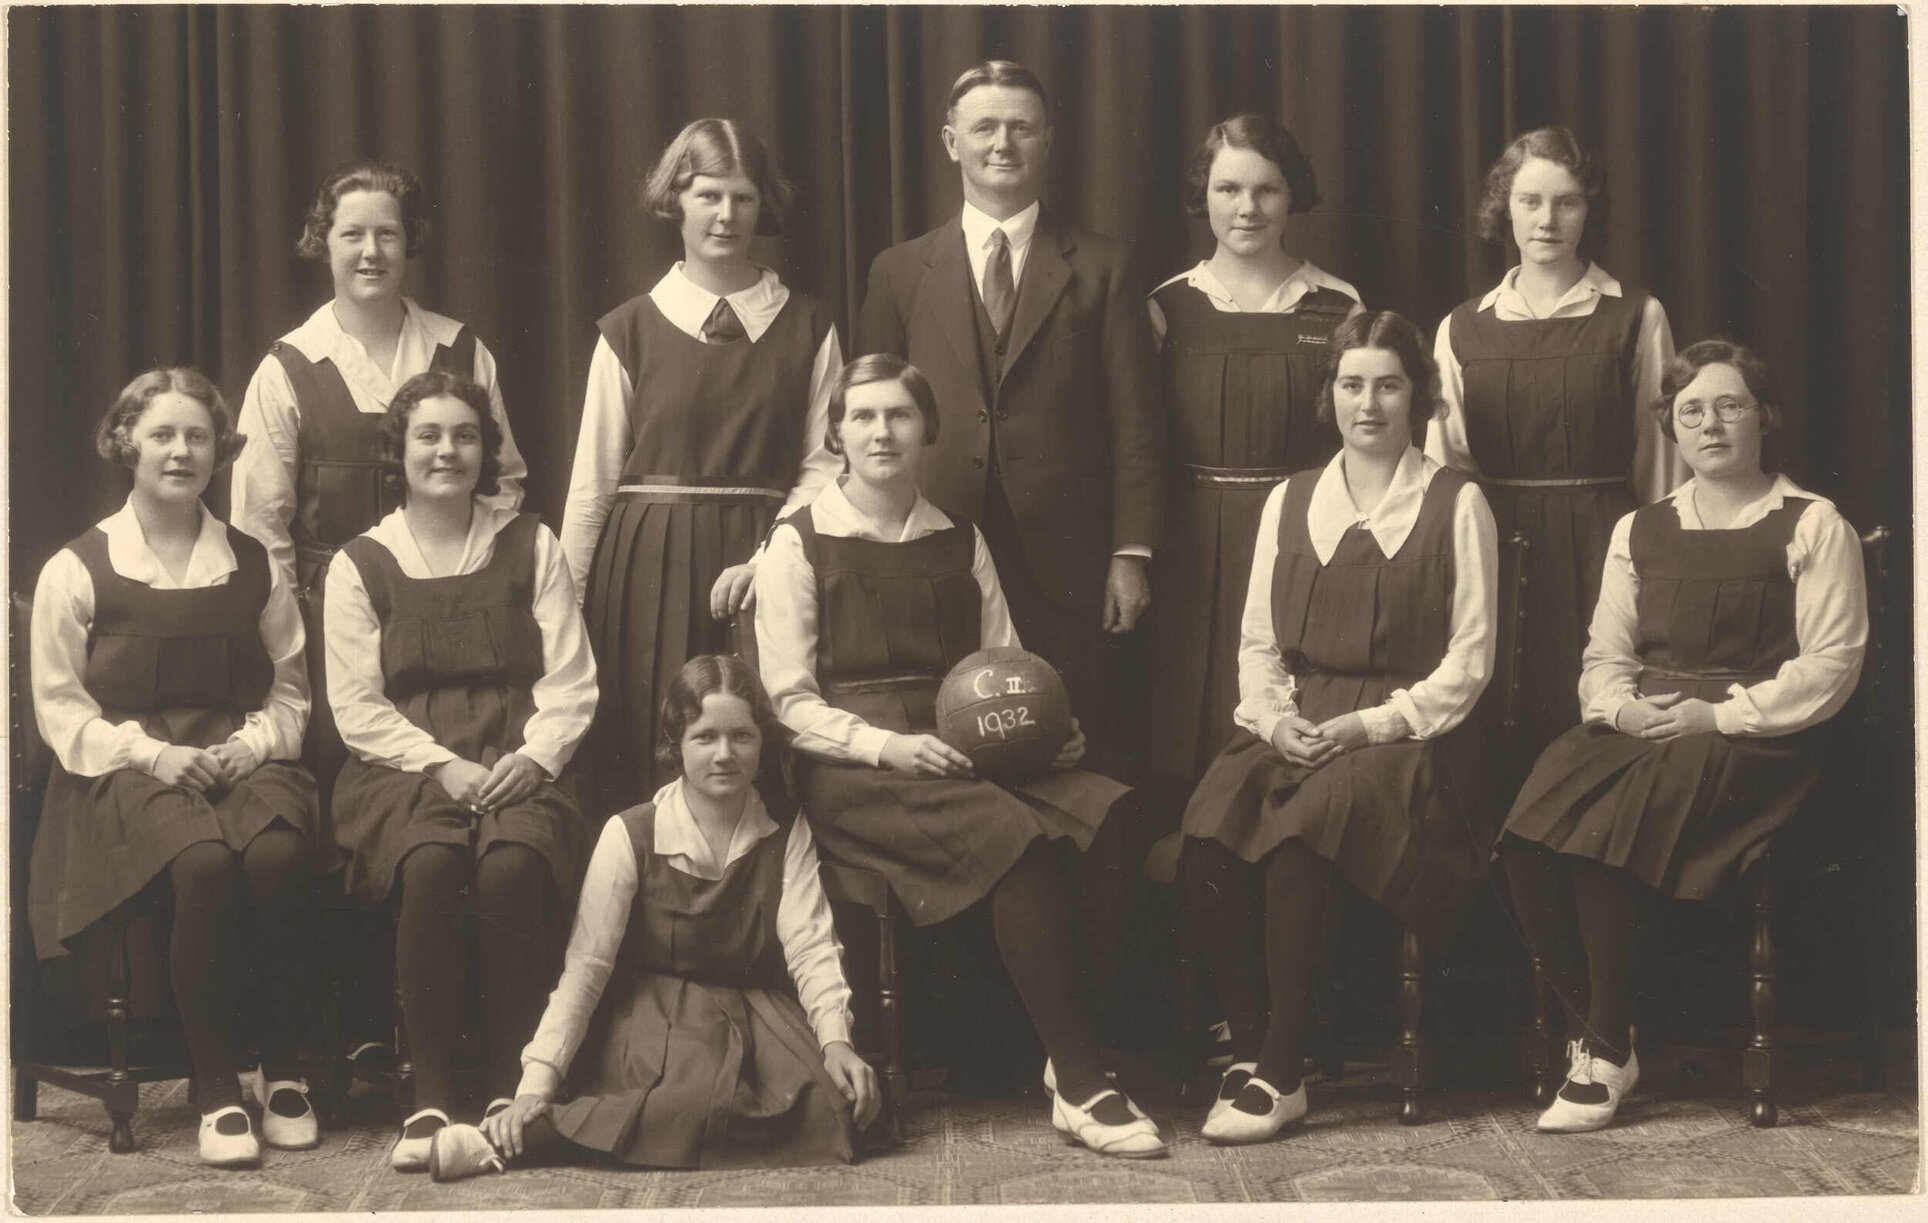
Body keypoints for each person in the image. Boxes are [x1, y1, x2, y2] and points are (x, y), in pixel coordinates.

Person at [755, 354, 1167, 1159]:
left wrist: (1049, 731)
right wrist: (889, 747)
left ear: (928, 431)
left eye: (900, 416)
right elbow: (789, 702)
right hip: (853, 765)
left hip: (963, 744)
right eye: (864, 416)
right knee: (1014, 838)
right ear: (835, 432)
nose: (882, 431)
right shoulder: (798, 541)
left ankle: (1052, 1050)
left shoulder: (959, 537)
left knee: (1112, 811)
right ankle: (1082, 1082)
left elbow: (1005, 661)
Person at [1499, 339, 1866, 1133]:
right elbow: (1606, 655)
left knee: (1609, 828)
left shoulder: (1812, 524)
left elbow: (1831, 665)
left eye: (1730, 405)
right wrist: (1622, 709)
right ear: (1670, 426)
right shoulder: (1640, 528)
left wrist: (1717, 714)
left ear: (1763, 417)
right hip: (1650, 724)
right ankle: (1605, 1033)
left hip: (1756, 738)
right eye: (1691, 410)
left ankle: (1600, 1054)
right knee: (1527, 834)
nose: (1711, 424)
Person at [1182, 312, 1498, 1145]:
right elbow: (1257, 642)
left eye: (1388, 385)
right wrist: (1276, 721)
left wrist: (1363, 726)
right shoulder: (1290, 500)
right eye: (1352, 384)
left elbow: (1468, 663)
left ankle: (1282, 1072)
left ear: (1416, 397)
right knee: (1209, 828)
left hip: (1408, 737)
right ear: (1329, 396)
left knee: (1303, 833)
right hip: (1297, 718)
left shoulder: (1456, 502)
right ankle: (1256, 1045)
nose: (1369, 403)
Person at [423, 655, 880, 1179]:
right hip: (656, 1019)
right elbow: (586, 971)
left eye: (742, 736)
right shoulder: (631, 833)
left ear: (762, 742)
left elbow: (811, 944)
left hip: (754, 1012)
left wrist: (835, 1041)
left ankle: (586, 1137)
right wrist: (534, 1086)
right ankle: (519, 1135)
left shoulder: (783, 829)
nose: (725, 755)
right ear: (676, 745)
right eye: (705, 737)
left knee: (842, 1104)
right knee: (689, 1098)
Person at [28, 369, 321, 1166]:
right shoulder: (79, 566)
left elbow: (292, 690)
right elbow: (61, 710)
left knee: (279, 853)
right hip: (123, 773)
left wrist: (251, 745)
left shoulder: (255, 564)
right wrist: (155, 752)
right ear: (126, 444)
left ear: (220, 450)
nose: (181, 451)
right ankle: (218, 1086)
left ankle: (286, 1067)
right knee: (202, 866)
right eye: (162, 434)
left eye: (198, 436)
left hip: (236, 755)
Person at [854, 59, 1161, 777]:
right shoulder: (899, 271)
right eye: (984, 126)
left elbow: (1137, 423)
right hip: (934, 543)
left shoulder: (1104, 266)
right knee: (953, 744)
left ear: (1048, 140)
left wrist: (1131, 553)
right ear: (949, 141)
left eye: (1021, 127)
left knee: (1068, 750)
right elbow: (867, 419)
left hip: (1069, 559)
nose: (1003, 143)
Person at [325, 371, 596, 1171]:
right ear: (398, 451)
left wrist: (533, 755)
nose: (448, 451)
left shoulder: (531, 543)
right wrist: (441, 765)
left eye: (465, 435)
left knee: (514, 864)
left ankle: (516, 1090)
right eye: (429, 436)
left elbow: (571, 679)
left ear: (488, 449)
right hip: (403, 763)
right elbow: (357, 706)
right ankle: (431, 1096)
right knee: (432, 861)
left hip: (520, 753)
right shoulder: (361, 562)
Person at [560, 118, 842, 812]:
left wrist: (768, 558)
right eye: (709, 194)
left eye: (743, 197)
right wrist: (562, 605)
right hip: (644, 570)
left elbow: (822, 464)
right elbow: (592, 483)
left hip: (760, 565)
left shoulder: (809, 325)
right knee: (646, 749)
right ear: (675, 201)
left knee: (755, 750)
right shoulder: (628, 327)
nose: (726, 215)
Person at [232, 158, 527, 805]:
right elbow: (260, 525)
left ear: (409, 240)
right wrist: (291, 639)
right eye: (352, 235)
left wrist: (465, 578)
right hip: (328, 623)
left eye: (388, 234)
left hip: (451, 616)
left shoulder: (462, 350)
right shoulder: (288, 366)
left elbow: (504, 485)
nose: (372, 252)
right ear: (323, 242)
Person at [1427, 127, 1683, 770]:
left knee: (1595, 708)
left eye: (1567, 202)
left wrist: (1661, 563)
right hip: (1494, 545)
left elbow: (1663, 459)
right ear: (1503, 207)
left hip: (1606, 539)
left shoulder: (1636, 315)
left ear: (1588, 210)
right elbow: (1446, 467)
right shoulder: (1462, 325)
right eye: (1530, 200)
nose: (1547, 219)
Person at [1146, 113, 1364, 785]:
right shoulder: (1165, 306)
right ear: (1202, 196)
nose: (1248, 208)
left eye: (1267, 189)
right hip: (1192, 541)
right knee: (1190, 710)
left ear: (1291, 195)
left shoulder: (1337, 304)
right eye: (1228, 189)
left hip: (1303, 538)